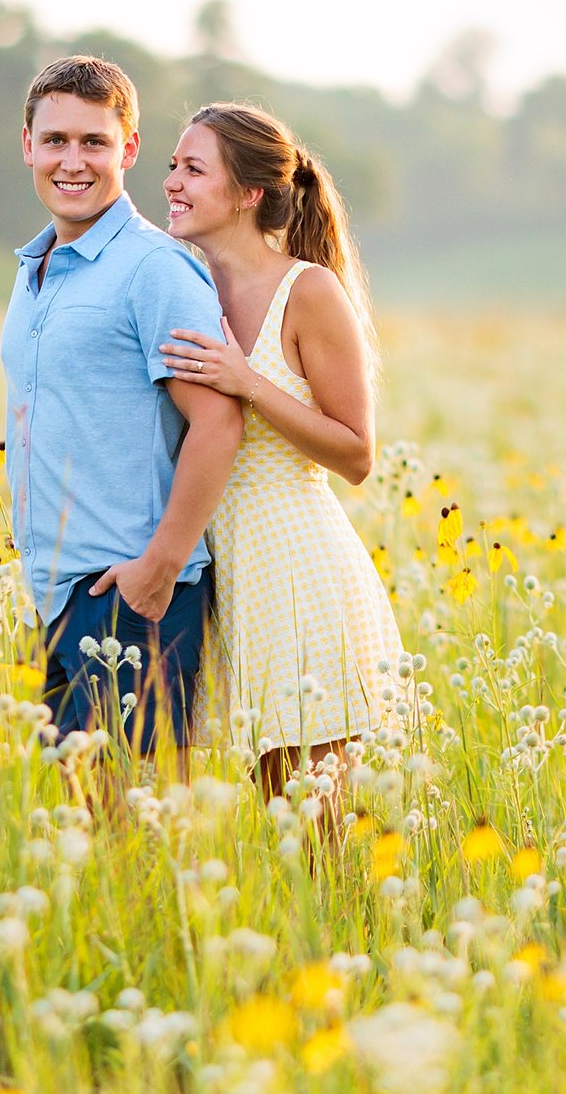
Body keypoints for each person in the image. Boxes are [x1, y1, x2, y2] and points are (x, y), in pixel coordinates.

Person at [155, 102, 407, 804]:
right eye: (172, 165)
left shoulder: (309, 290)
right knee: (275, 821)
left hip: (297, 568)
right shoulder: (184, 286)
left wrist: (248, 382)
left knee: (319, 830)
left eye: (193, 168)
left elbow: (356, 453)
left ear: (249, 193)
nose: (172, 181)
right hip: (221, 578)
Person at [1, 56, 243, 784]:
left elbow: (218, 423)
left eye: (94, 142)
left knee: (141, 830)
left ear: (129, 149)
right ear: (28, 145)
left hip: (132, 593)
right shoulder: (37, 266)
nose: (72, 161)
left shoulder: (154, 269)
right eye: (56, 141)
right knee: (90, 827)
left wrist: (159, 567)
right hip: (58, 589)